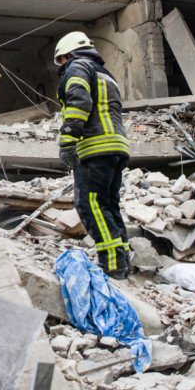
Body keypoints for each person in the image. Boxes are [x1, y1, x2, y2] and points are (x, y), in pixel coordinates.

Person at [54, 31, 132, 278]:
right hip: (116, 146)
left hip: (95, 147)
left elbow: (79, 103)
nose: (62, 66)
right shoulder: (106, 75)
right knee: (108, 205)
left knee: (91, 205)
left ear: (68, 55)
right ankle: (122, 261)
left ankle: (112, 265)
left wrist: (68, 139)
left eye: (61, 61)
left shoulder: (77, 67)